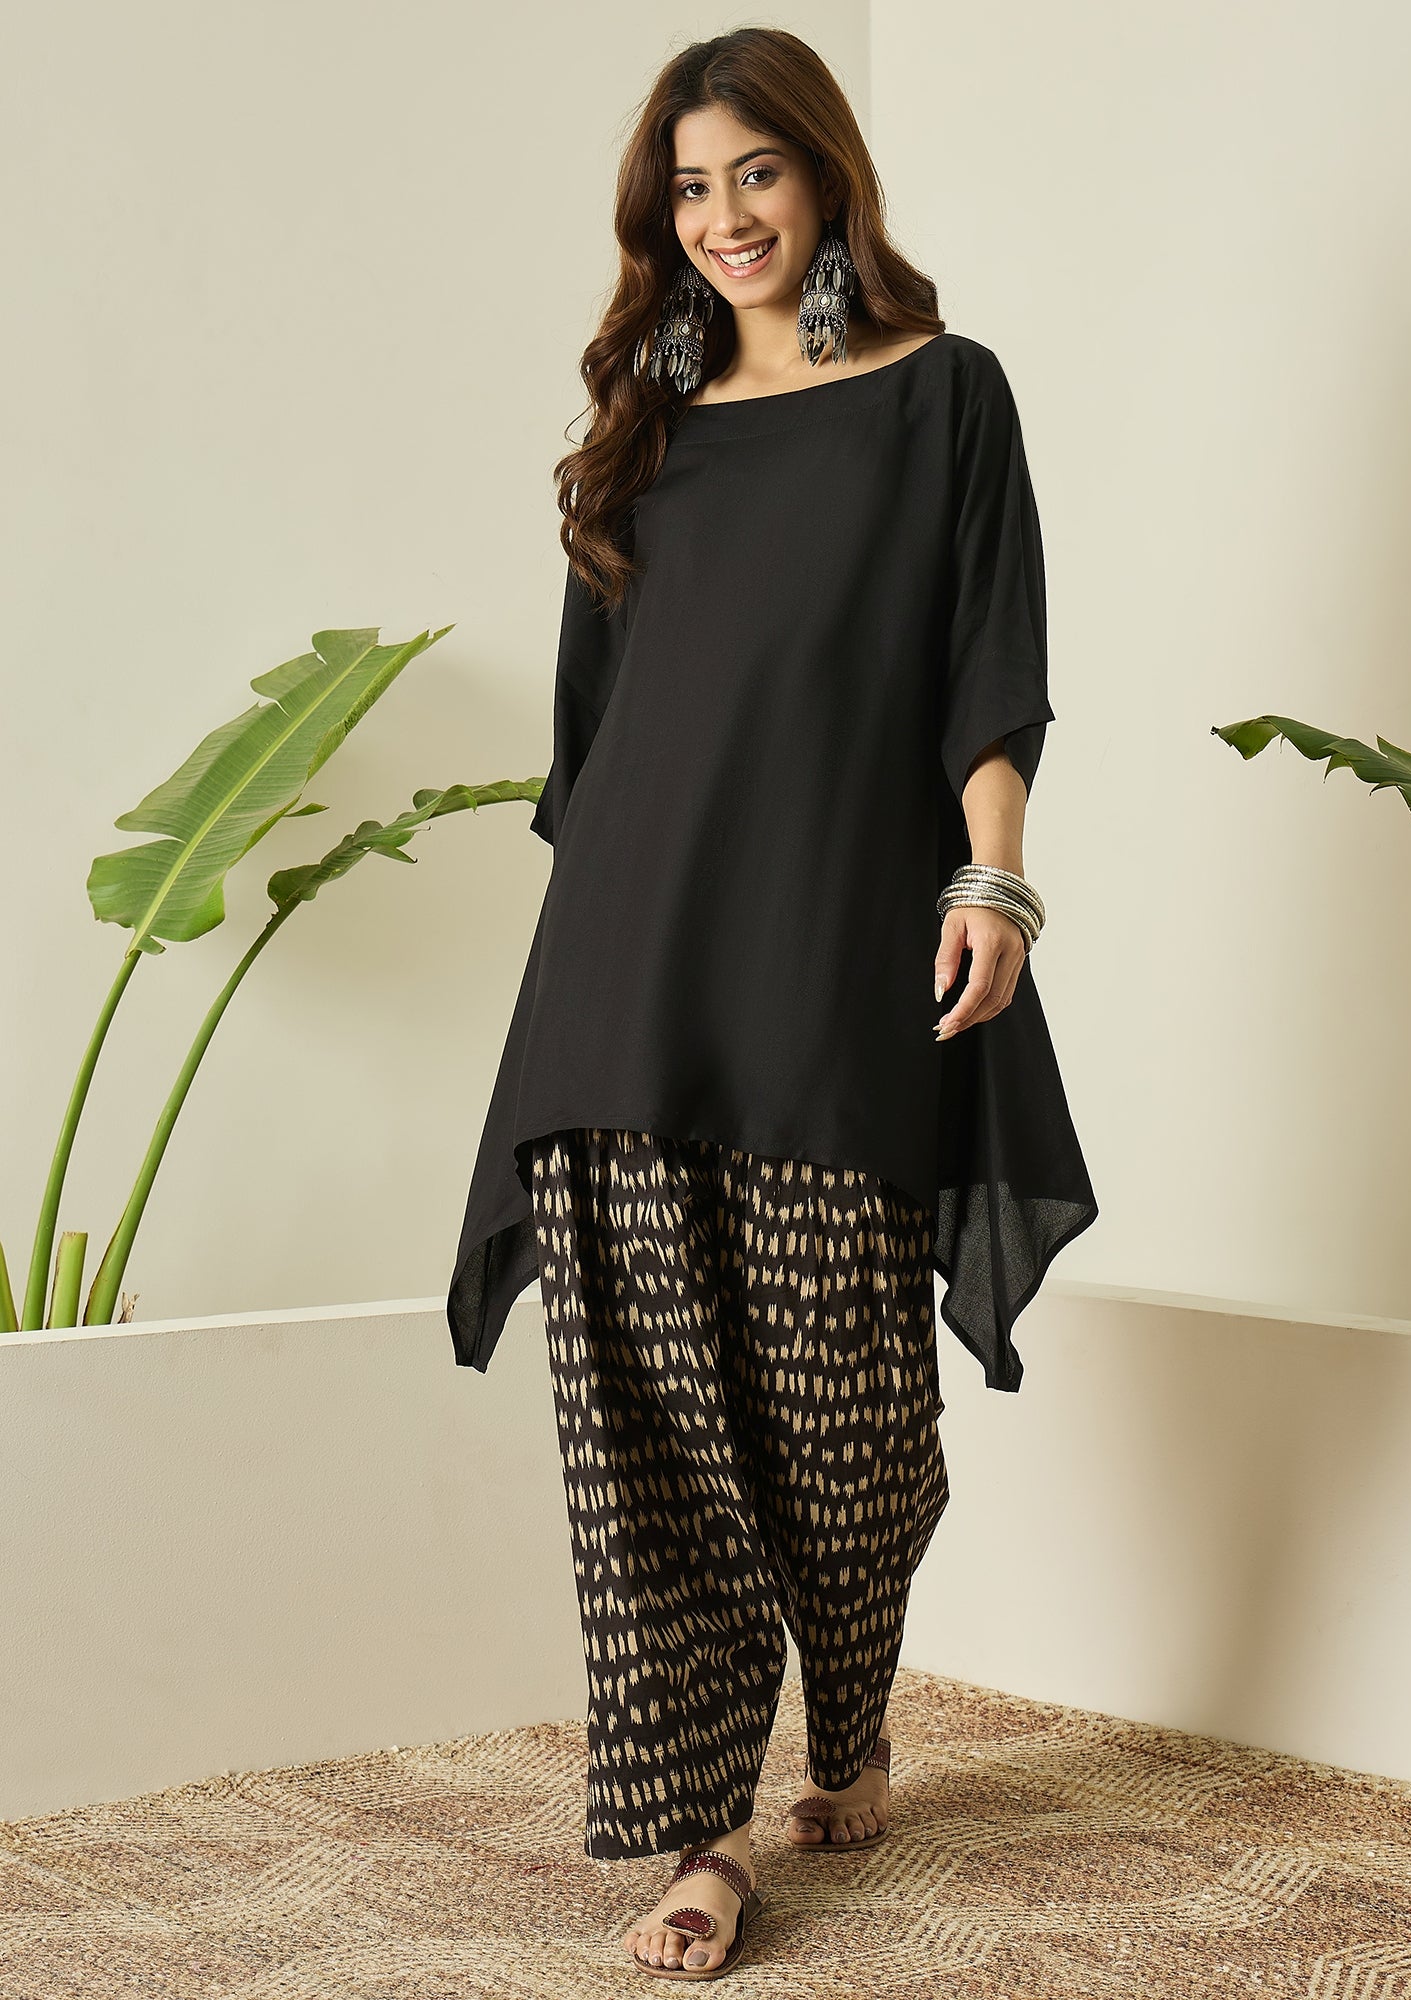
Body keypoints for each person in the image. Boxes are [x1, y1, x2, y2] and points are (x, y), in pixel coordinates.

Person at [446, 25, 1099, 1983]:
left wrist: (992, 876)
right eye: (689, 187)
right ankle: (698, 1833)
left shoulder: (942, 395)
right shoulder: (641, 430)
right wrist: (593, 959)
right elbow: (595, 742)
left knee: (848, 1416)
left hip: (833, 947)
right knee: (644, 1427)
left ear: (823, 177)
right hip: (631, 966)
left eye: (756, 174)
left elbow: (989, 658)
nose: (723, 218)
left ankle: (856, 1710)